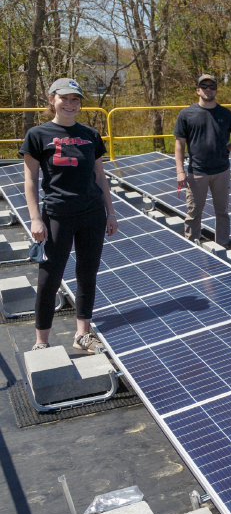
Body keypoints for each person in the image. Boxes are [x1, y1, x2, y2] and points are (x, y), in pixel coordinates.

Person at [21, 78, 118, 352]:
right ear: (52, 99)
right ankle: (42, 341)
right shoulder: (37, 135)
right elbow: (30, 180)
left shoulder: (90, 134)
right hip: (57, 215)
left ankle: (82, 335)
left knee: (88, 274)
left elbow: (100, 176)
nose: (71, 104)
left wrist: (110, 212)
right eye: (65, 98)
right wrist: (35, 218)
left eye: (76, 99)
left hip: (92, 214)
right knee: (48, 278)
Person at [173, 73, 231, 246]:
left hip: (221, 172)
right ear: (198, 90)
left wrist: (225, 150)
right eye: (204, 87)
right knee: (194, 211)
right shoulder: (187, 114)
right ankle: (191, 245)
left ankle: (221, 244)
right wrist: (179, 171)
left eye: (212, 87)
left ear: (216, 90)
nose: (208, 90)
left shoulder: (226, 115)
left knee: (222, 211)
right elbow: (179, 145)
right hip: (196, 173)